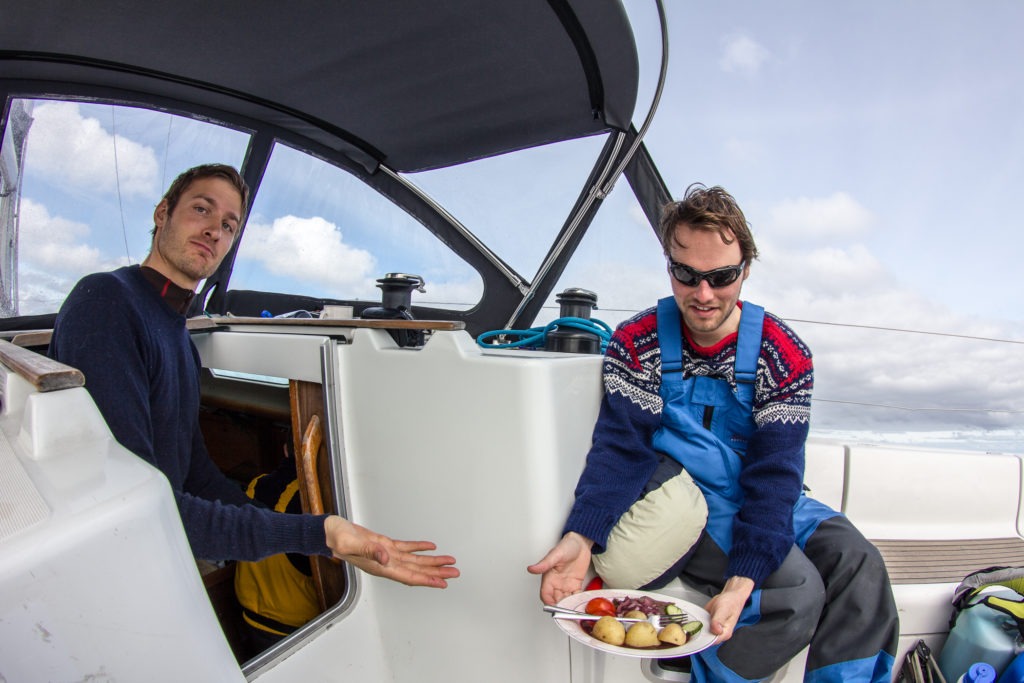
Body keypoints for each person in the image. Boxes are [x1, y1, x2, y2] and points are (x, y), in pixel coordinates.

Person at [528, 184, 897, 682]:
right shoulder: (636, 344)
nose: (703, 295)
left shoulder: (783, 354)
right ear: (669, 268)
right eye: (687, 275)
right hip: (693, 498)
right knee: (793, 594)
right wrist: (584, 534)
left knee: (862, 566)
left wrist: (745, 569)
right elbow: (622, 450)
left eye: (721, 277)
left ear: (745, 269)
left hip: (764, 492)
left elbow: (775, 473)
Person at [49, 163, 459, 590]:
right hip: (106, 560)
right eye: (202, 210)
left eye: (228, 225)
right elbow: (131, 505)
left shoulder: (177, 337)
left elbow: (194, 473)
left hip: (154, 541)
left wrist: (305, 534)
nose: (214, 231)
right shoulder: (107, 302)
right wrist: (317, 534)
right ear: (162, 213)